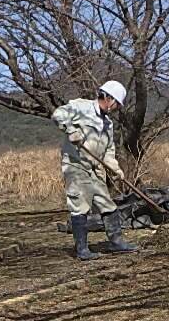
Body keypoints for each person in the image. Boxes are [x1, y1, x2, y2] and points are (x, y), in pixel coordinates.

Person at [52, 80, 138, 260]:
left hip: (95, 168)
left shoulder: (108, 124)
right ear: (108, 98)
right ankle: (82, 250)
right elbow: (58, 114)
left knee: (107, 204)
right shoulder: (81, 107)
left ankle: (116, 242)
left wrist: (115, 169)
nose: (115, 108)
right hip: (76, 165)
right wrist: (71, 130)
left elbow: (108, 151)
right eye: (116, 104)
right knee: (80, 205)